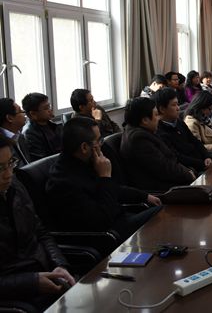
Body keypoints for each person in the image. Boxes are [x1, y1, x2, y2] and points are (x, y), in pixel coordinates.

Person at [46, 118, 161, 243]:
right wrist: (105, 177)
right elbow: (102, 220)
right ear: (84, 147)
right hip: (107, 235)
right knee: (161, 214)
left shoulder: (83, 161)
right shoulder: (62, 182)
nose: (102, 144)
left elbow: (114, 189)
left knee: (164, 211)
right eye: (99, 140)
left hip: (119, 220)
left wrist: (144, 196)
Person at [0, 136, 76, 312]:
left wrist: (59, 265)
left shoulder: (15, 186)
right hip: (14, 295)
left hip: (42, 272)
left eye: (10, 163)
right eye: (0, 168)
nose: (8, 174)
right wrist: (32, 282)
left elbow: (40, 232)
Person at [120, 97, 196, 192]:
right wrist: (188, 174)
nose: (159, 118)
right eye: (156, 115)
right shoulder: (139, 139)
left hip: (171, 179)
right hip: (162, 190)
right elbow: (164, 168)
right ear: (145, 120)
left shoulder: (140, 131)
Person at [153, 88, 212, 175]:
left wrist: (207, 156)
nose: (178, 108)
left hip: (203, 161)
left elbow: (195, 141)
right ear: (162, 109)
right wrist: (202, 163)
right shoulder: (159, 131)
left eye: (177, 104)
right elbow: (177, 156)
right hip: (192, 170)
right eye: (174, 105)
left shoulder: (178, 122)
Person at [21, 93, 63, 162]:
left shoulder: (52, 125)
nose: (50, 110)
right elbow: (42, 162)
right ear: (33, 114)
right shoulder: (29, 134)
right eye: (46, 108)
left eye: (49, 106)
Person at [0, 98, 31, 167]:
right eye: (20, 111)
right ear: (9, 118)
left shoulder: (20, 136)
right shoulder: (2, 143)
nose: (24, 112)